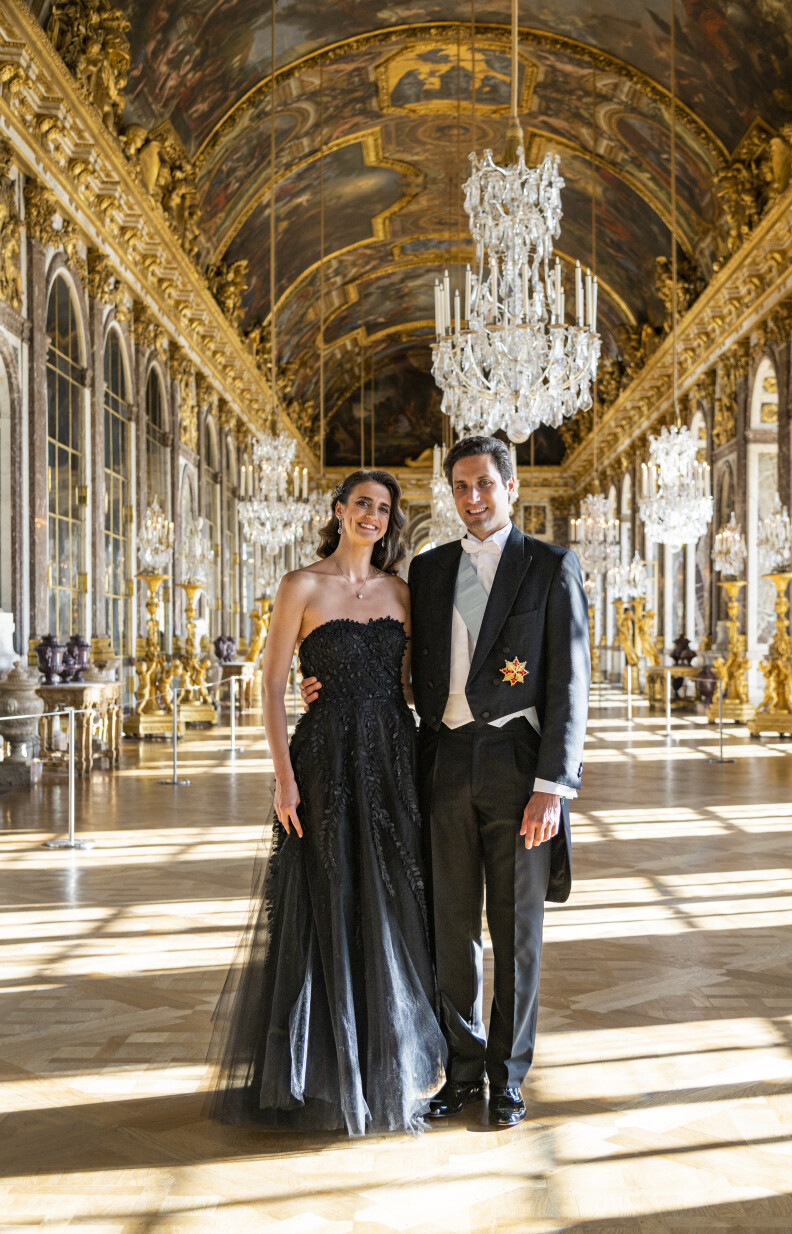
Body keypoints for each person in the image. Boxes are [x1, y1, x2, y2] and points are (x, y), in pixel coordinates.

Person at [303, 435, 590, 1127]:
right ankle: (461, 1068)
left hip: (521, 770)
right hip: (439, 763)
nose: (473, 498)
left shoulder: (551, 566)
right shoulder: (428, 572)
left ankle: (509, 1076)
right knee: (449, 929)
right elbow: (385, 654)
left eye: (485, 484)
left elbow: (571, 683)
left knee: (515, 930)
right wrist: (325, 683)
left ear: (511, 487)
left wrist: (554, 784)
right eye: (461, 487)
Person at [208, 469, 445, 1136]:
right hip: (324, 761)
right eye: (362, 504)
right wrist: (284, 779)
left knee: (395, 902)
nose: (373, 515)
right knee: (327, 903)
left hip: (394, 758)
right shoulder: (301, 586)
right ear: (338, 510)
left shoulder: (402, 591)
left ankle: (386, 1067)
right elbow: (274, 683)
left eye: (383, 509)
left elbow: (412, 683)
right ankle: (319, 1076)